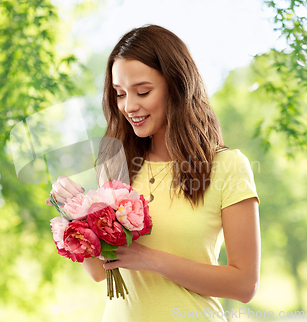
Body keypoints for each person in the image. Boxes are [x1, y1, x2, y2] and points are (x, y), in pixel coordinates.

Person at [49, 24, 260, 322]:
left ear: (176, 85)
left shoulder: (228, 167)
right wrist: (75, 213)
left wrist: (150, 260)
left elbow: (244, 284)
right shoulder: (115, 165)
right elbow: (100, 271)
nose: (129, 106)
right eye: (120, 94)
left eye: (143, 91)